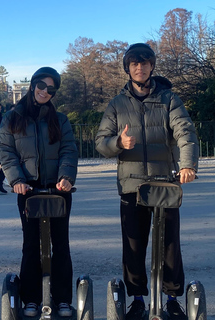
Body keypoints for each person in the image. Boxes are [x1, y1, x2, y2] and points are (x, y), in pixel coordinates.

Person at [95, 43, 199, 320]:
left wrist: (187, 164)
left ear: (152, 66)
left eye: (144, 63)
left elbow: (185, 132)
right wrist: (118, 142)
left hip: (165, 182)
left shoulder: (169, 99)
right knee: (133, 246)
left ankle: (173, 299)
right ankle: (137, 299)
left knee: (169, 245)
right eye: (133, 64)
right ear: (127, 68)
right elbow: (100, 142)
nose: (139, 68)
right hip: (131, 185)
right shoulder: (117, 104)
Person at [0, 67, 78, 317]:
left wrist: (65, 177)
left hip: (57, 189)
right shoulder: (12, 118)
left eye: (50, 89)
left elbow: (69, 150)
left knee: (60, 244)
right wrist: (17, 180)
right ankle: (31, 298)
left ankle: (62, 298)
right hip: (28, 189)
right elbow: (6, 150)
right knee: (31, 245)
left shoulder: (60, 119)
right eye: (41, 86)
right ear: (33, 85)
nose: (45, 91)